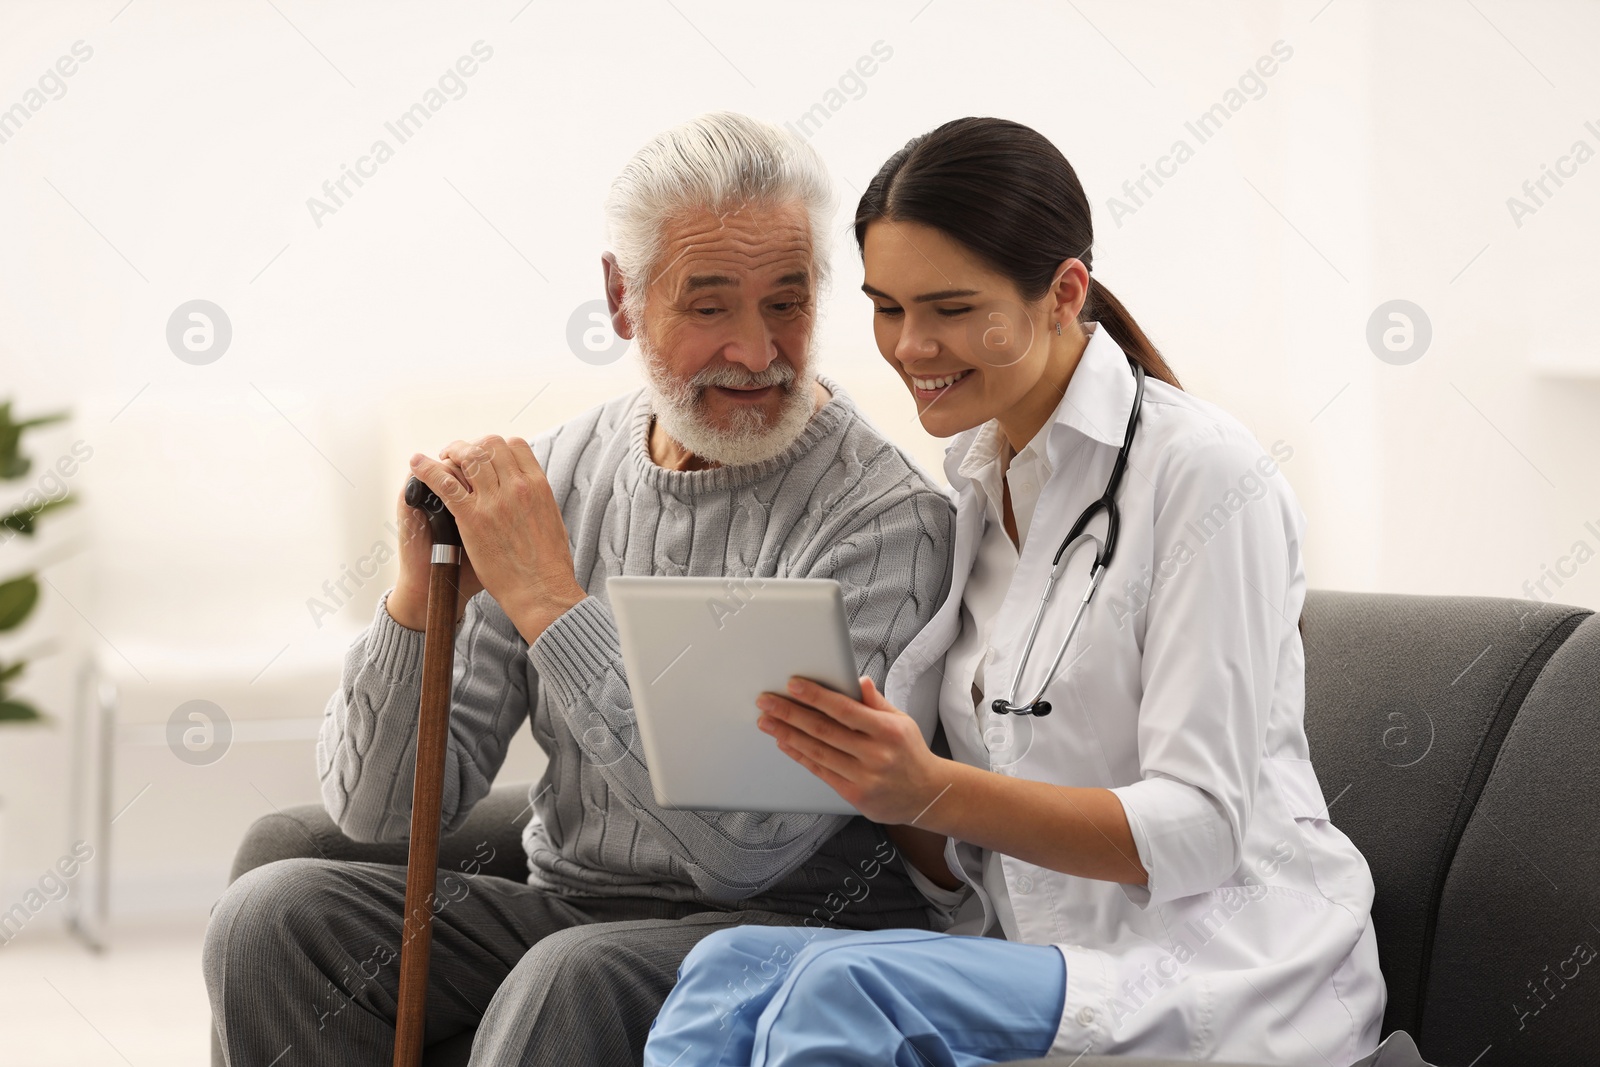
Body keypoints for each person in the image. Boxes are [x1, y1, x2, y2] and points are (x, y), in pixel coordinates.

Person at [201, 112, 956, 1067]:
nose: (759, 352)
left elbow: (747, 849)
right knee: (275, 914)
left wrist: (553, 606)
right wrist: (415, 601)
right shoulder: (560, 473)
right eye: (710, 304)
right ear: (622, 298)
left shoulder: (881, 523)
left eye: (789, 302)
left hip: (785, 926)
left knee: (570, 973)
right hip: (575, 895)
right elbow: (379, 812)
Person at [643, 116, 1386, 1067]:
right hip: (1040, 962)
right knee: (727, 971)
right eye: (885, 306)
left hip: (1226, 972)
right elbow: (967, 862)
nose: (910, 347)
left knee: (843, 992)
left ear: (1064, 291)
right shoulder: (972, 485)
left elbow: (1199, 829)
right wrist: (854, 772)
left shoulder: (1203, 475)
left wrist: (932, 787)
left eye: (951, 309)